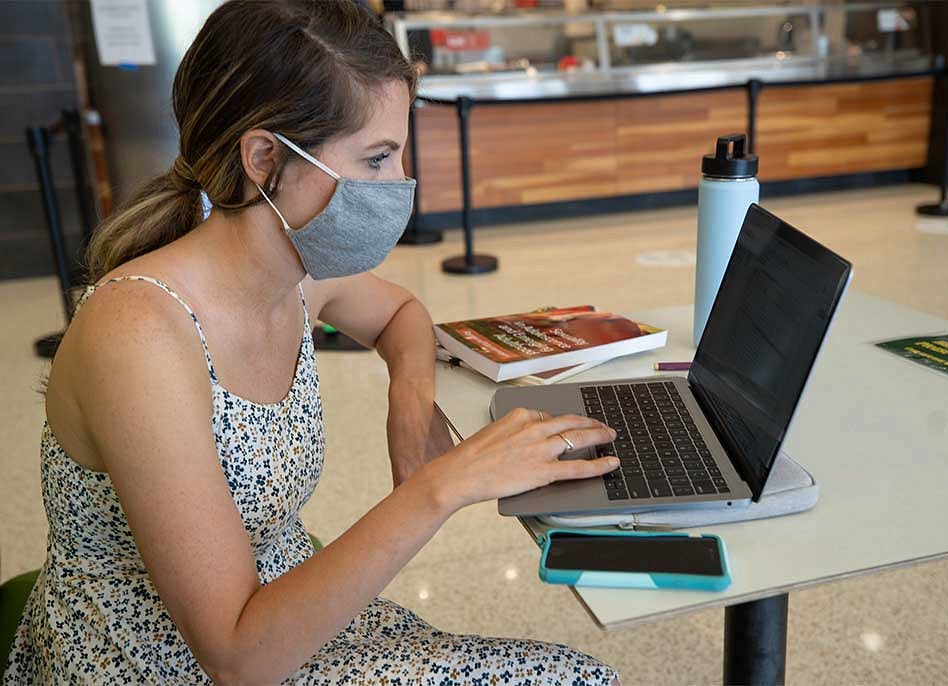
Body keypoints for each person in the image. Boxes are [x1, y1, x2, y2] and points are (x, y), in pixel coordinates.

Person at [3, 1, 622, 684]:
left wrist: (410, 401)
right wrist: (445, 484)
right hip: (161, 659)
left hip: (281, 602)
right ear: (265, 157)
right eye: (378, 159)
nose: (400, 185)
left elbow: (402, 316)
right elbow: (238, 656)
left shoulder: (297, 271)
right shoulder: (140, 334)